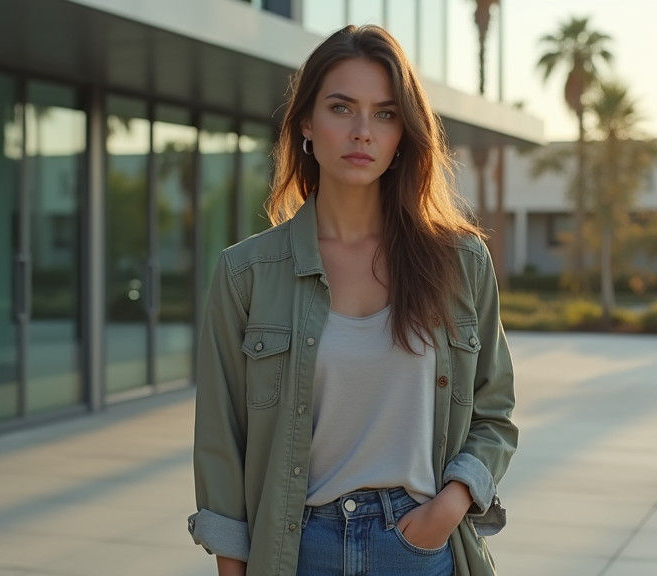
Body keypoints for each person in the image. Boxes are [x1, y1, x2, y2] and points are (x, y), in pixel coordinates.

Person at [189, 24, 518, 576]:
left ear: (403, 135)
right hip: (297, 549)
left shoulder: (460, 263)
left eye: (385, 114)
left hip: (418, 544)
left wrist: (451, 504)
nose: (363, 131)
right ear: (306, 128)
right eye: (342, 108)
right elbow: (222, 440)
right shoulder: (246, 273)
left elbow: (494, 412)